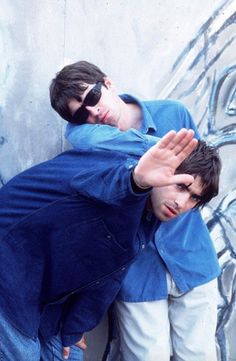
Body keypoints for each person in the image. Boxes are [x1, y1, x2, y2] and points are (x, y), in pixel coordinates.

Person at [50, 60, 221, 361]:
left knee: (200, 355)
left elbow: (202, 176)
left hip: (191, 257)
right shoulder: (88, 143)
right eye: (80, 115)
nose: (93, 112)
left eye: (92, 97)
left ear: (108, 82)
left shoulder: (173, 113)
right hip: (138, 273)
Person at [0, 129, 198, 361]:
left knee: (70, 354)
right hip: (10, 280)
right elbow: (98, 183)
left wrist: (74, 328)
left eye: (194, 197)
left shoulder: (148, 217)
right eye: (181, 186)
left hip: (43, 301)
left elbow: (106, 279)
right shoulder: (115, 169)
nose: (181, 202)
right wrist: (135, 181)